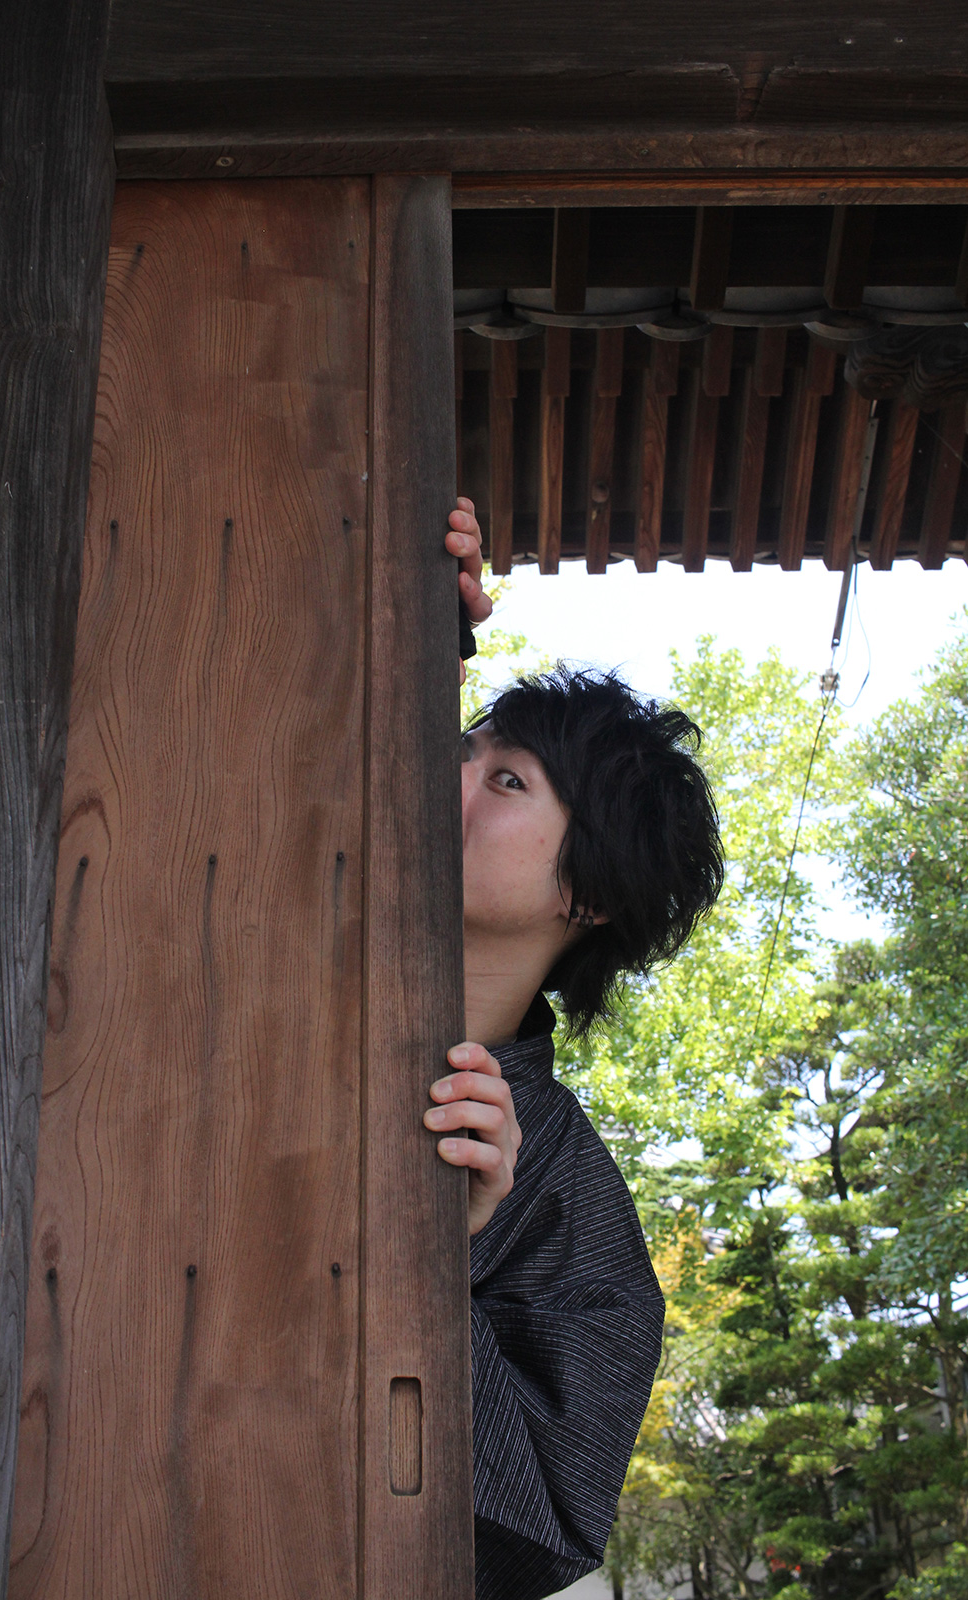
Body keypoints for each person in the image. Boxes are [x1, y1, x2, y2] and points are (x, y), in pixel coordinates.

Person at [437, 500, 724, 1600]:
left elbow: (532, 1535)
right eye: (463, 750)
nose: (452, 775)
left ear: (587, 893)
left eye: (506, 780)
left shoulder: (576, 1208)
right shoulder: (254, 927)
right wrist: (406, 614)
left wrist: (432, 1246)